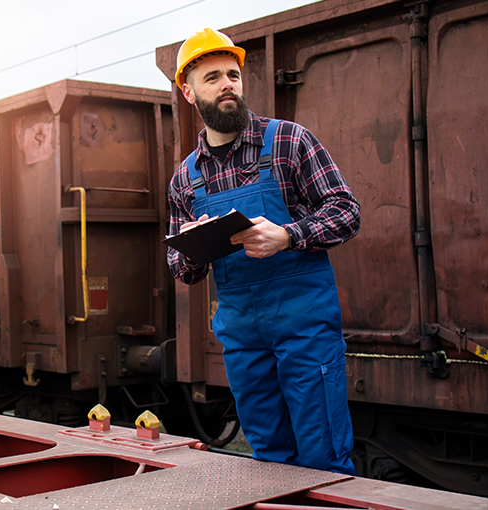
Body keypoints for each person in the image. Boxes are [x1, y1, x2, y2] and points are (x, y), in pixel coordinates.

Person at [167, 28, 360, 475]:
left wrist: (289, 235)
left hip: (305, 328)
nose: (227, 84)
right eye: (212, 77)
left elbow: (346, 211)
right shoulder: (186, 179)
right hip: (243, 338)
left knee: (323, 455)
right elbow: (182, 267)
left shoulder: (289, 143)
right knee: (268, 458)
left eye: (232, 74)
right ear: (188, 92)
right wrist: (196, 245)